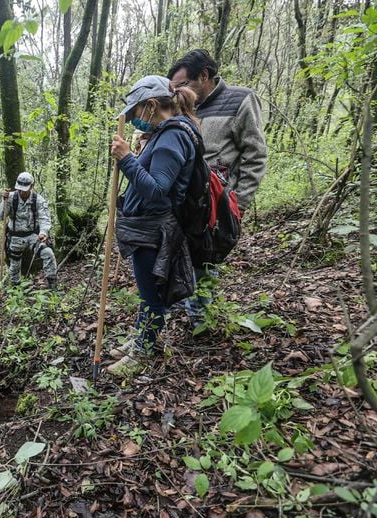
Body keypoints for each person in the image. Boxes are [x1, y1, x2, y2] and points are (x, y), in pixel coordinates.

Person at [167, 49, 267, 326]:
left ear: (204, 75)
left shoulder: (240, 99)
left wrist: (237, 204)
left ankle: (201, 325)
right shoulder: (183, 107)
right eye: (174, 88)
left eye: (184, 84)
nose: (179, 92)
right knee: (177, 258)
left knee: (204, 265)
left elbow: (255, 155)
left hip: (217, 205)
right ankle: (183, 313)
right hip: (184, 203)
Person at [106, 75, 199, 372]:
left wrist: (126, 159)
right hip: (144, 226)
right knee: (146, 291)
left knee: (152, 295)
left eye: (136, 114)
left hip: (153, 229)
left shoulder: (173, 136)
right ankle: (139, 338)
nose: (134, 120)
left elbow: (158, 192)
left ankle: (143, 352)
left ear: (150, 106)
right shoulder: (163, 134)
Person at [0, 172, 57, 289]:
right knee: (14, 266)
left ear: (31, 187)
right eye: (20, 189)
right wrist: (4, 201)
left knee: (48, 253)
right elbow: (1, 216)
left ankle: (52, 284)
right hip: (15, 237)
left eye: (25, 189)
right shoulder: (11, 197)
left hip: (33, 236)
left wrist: (43, 232)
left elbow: (44, 218)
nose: (22, 192)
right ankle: (16, 288)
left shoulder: (38, 199)